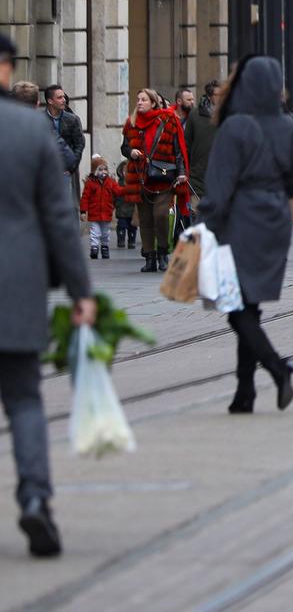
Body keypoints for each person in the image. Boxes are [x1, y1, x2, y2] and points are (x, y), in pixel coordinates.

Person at [0, 32, 96, 559]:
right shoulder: (30, 130)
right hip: (17, 285)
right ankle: (35, 497)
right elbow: (60, 218)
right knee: (23, 399)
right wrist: (81, 291)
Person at [197, 56, 293, 415]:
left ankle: (278, 368)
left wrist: (203, 226)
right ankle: (244, 391)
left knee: (235, 308)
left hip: (240, 220)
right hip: (276, 218)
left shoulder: (235, 127)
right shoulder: (288, 126)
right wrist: (275, 192)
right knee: (249, 305)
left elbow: (218, 187)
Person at [121, 87, 189, 274]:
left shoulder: (168, 120)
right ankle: (150, 257)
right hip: (140, 178)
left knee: (160, 215)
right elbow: (124, 147)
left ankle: (162, 253)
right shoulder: (131, 123)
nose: (139, 102)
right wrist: (130, 152)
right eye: (138, 99)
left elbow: (178, 150)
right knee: (145, 219)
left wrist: (181, 173)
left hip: (163, 177)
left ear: (153, 102)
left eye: (143, 99)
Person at [183, 79, 220, 207]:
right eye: (218, 95)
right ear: (209, 96)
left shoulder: (228, 114)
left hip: (221, 177)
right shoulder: (195, 115)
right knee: (197, 215)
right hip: (197, 177)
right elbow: (186, 145)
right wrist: (185, 171)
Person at [41, 85, 84, 184]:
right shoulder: (40, 119)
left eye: (64, 97)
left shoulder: (73, 119)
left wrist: (71, 168)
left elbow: (79, 145)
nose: (64, 100)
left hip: (67, 172)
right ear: (50, 101)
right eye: (59, 97)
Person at [78, 156, 117, 261]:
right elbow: (85, 198)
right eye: (100, 169)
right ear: (95, 171)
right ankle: (94, 248)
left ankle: (105, 247)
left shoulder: (110, 182)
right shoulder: (90, 183)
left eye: (105, 169)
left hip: (106, 212)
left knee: (105, 233)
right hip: (94, 213)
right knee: (95, 232)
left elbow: (117, 190)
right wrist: (83, 211)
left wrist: (127, 190)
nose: (103, 172)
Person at [113, 161, 137, 251]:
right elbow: (114, 195)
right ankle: (121, 240)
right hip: (121, 209)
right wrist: (114, 204)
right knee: (121, 225)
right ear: (121, 172)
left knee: (132, 227)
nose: (126, 173)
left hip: (132, 210)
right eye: (124, 171)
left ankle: (132, 241)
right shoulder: (119, 183)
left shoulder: (135, 183)